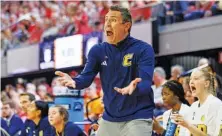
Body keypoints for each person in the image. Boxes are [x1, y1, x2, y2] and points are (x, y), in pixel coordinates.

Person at [55, 5, 155, 136]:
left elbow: (146, 84)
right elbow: (85, 78)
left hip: (137, 116)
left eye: (113, 20)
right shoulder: (98, 51)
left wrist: (135, 87)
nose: (107, 24)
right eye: (106, 19)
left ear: (127, 26)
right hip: (110, 118)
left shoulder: (143, 49)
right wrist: (74, 82)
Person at [173, 67, 222, 136]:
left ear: (206, 84)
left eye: (195, 78)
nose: (191, 82)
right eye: (190, 79)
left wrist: (188, 125)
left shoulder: (215, 104)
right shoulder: (193, 106)